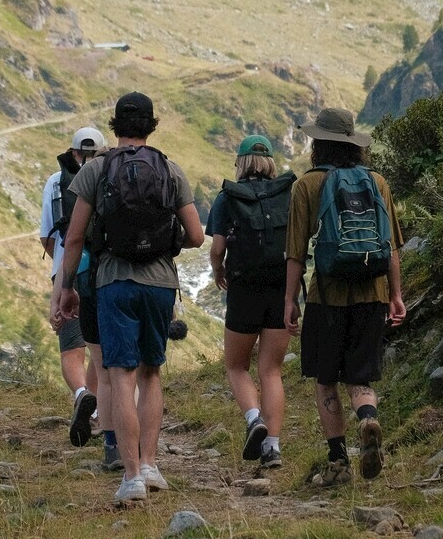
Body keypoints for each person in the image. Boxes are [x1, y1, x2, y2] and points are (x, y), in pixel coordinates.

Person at [51, 92, 204, 505]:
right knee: (152, 373)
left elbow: (75, 238)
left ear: (115, 125)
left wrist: (67, 287)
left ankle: (131, 475)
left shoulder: (96, 169)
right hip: (160, 283)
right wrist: (163, 241)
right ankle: (151, 465)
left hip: (113, 281)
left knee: (120, 375)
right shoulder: (169, 169)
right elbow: (196, 235)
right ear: (151, 125)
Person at [283, 108, 406, 485]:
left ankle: (338, 461)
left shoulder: (307, 185)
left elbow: (295, 253)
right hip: (373, 294)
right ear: (354, 145)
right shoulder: (377, 182)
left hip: (327, 298)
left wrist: (290, 301)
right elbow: (391, 248)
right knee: (360, 376)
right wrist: (396, 295)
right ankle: (368, 419)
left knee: (326, 381)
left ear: (318, 144)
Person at [207, 135, 296, 469]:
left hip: (244, 288)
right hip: (280, 287)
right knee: (271, 370)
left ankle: (254, 418)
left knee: (236, 366)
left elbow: (217, 248)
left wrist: (218, 271)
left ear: (240, 163)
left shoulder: (227, 197)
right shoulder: (286, 194)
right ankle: (272, 448)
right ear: (270, 162)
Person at [40, 127, 106, 451]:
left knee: (71, 348)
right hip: (104, 271)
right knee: (98, 346)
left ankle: (81, 394)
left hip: (67, 272)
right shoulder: (109, 175)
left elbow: (46, 237)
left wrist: (63, 266)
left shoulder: (56, 181)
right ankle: (95, 411)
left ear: (72, 151)